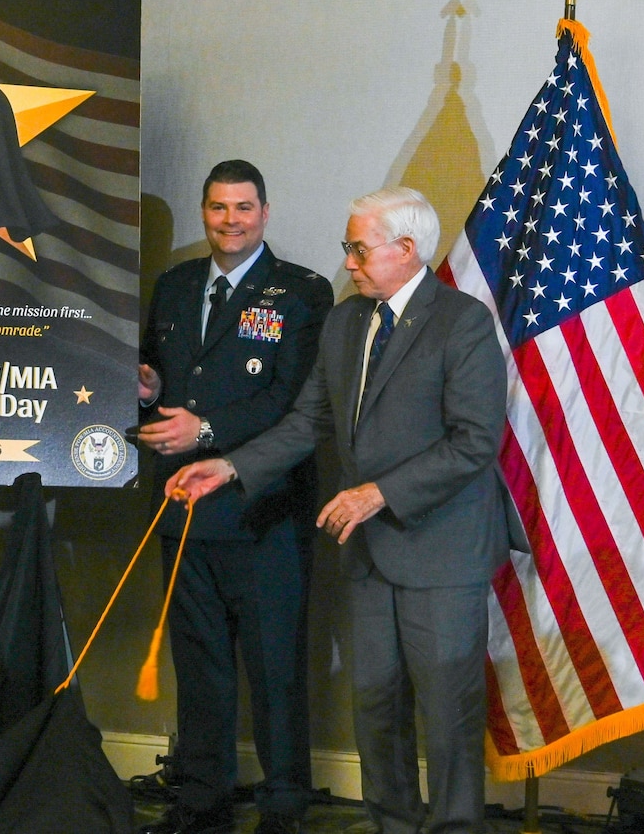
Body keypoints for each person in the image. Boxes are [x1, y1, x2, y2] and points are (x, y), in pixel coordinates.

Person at [171, 187, 513, 834]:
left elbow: (473, 442)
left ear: (404, 249)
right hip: (368, 552)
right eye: (347, 248)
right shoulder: (346, 320)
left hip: (441, 550)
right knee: (375, 708)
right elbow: (309, 420)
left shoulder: (461, 322)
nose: (348, 262)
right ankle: (393, 825)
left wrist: (377, 493)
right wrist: (230, 466)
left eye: (358, 248)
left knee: (448, 716)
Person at [137, 160, 333, 834]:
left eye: (243, 208)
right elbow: (165, 379)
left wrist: (207, 431)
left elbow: (292, 400)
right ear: (204, 212)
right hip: (182, 507)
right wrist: (146, 389)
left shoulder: (302, 292)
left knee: (275, 669)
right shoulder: (174, 285)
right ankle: (201, 801)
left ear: (265, 213)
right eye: (218, 208)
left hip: (264, 511)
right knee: (199, 667)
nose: (230, 221)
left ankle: (283, 808)